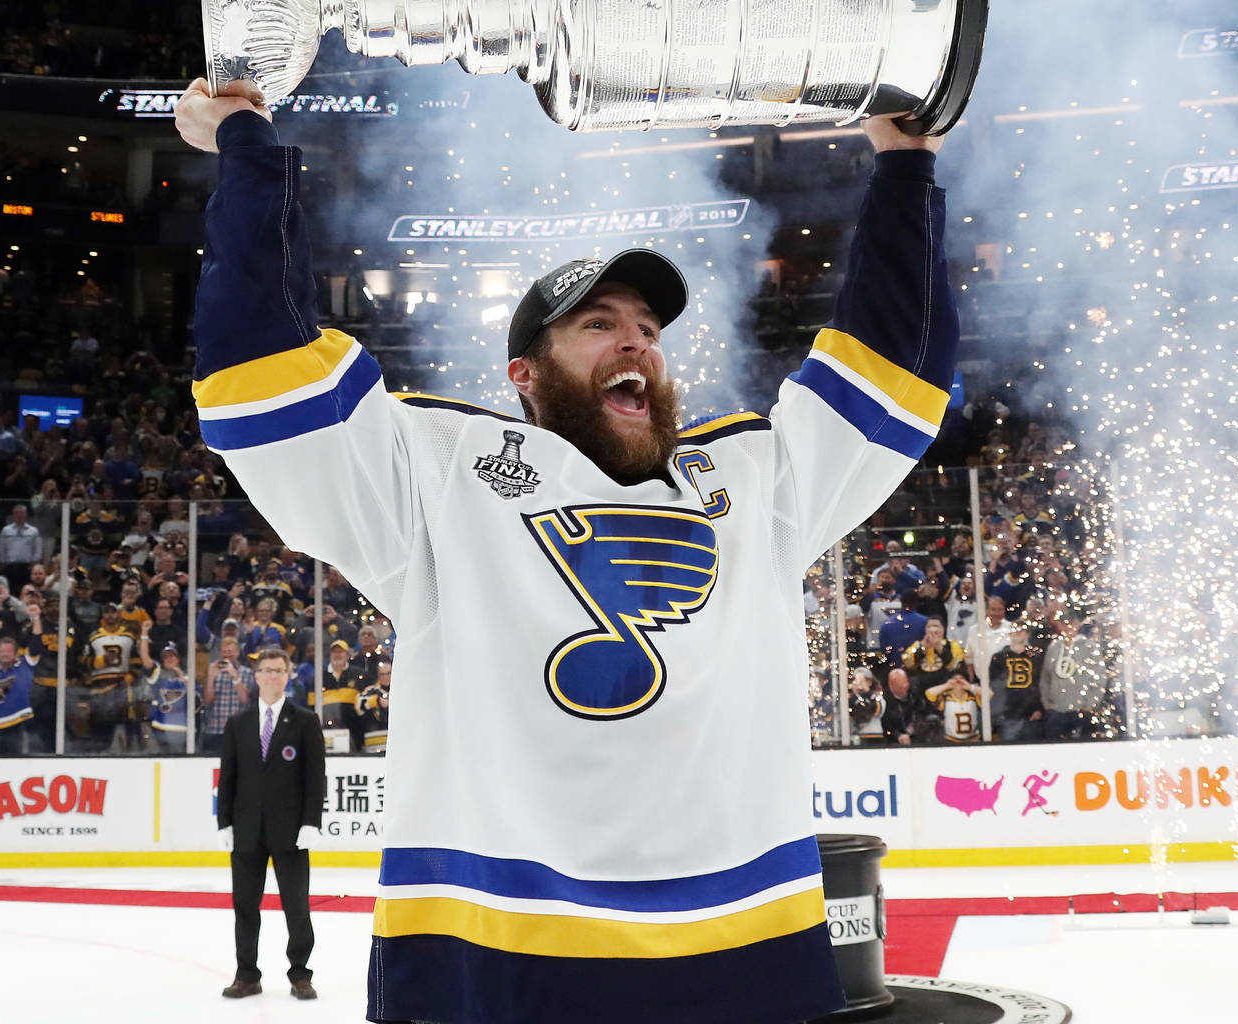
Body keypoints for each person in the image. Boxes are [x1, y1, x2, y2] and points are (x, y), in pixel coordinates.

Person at [179, 78, 957, 1024]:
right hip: (497, 954)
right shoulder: (436, 476)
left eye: (649, 329)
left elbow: (896, 365)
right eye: (599, 325)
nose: (636, 341)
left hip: (742, 948)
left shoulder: (755, 480)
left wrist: (906, 162)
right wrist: (250, 150)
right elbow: (260, 372)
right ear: (525, 373)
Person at [215, 647, 325, 1000]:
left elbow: (315, 778)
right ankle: (247, 974)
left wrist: (311, 822)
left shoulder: (305, 721)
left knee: (297, 906)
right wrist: (224, 823)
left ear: (288, 675)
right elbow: (228, 777)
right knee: (245, 906)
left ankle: (300, 974)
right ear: (257, 676)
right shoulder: (238, 723)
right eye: (266, 670)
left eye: (279, 670)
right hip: (246, 830)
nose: (273, 676)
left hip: (291, 831)